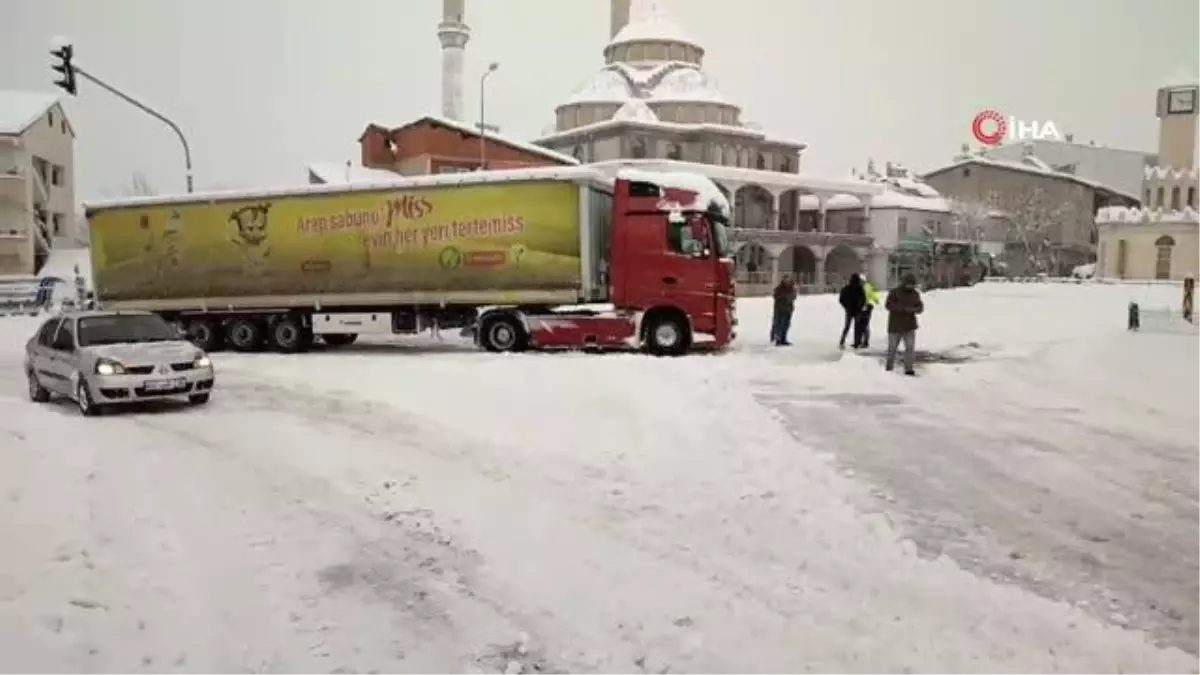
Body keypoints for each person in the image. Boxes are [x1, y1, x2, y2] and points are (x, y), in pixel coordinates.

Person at [884, 274, 924, 375]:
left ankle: (909, 369)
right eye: (909, 284)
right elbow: (888, 305)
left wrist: (914, 309)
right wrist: (901, 309)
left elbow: (920, 307)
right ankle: (889, 368)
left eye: (913, 284)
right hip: (895, 325)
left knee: (910, 348)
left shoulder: (915, 294)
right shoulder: (894, 292)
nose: (911, 286)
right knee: (892, 348)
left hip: (910, 325)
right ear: (905, 283)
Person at [838, 273, 866, 349]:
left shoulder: (846, 288)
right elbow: (864, 299)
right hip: (857, 311)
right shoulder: (860, 289)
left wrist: (846, 307)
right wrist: (860, 307)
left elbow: (841, 300)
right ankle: (856, 342)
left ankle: (842, 341)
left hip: (849, 311)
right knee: (857, 327)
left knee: (847, 327)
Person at [771, 274, 797, 346]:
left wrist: (789, 298)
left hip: (788, 309)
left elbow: (794, 296)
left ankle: (783, 338)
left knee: (786, 324)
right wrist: (784, 297)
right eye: (786, 279)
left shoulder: (792, 288)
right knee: (779, 324)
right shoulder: (779, 288)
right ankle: (778, 339)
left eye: (788, 280)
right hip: (780, 309)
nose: (787, 281)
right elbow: (776, 296)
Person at [856, 278, 881, 348]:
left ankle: (865, 342)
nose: (861, 282)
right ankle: (859, 341)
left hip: (867, 308)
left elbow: (872, 295)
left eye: (862, 281)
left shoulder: (867, 287)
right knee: (859, 325)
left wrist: (875, 300)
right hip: (860, 308)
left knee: (865, 325)